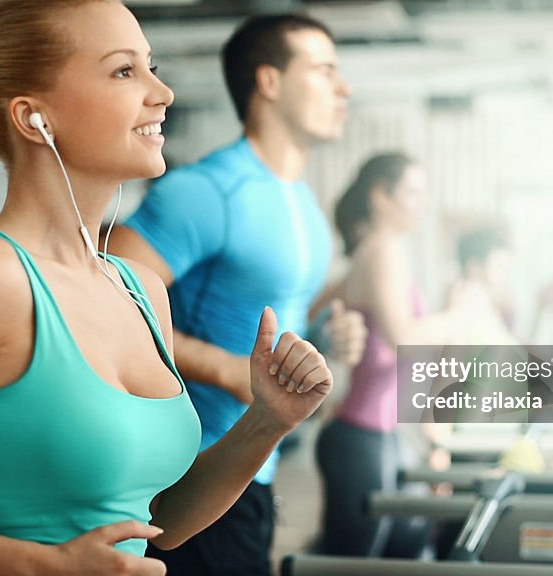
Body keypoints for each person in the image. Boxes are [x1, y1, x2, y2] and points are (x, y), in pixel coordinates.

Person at [0, 2, 333, 575]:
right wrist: (40, 566)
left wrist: (268, 420)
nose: (162, 92)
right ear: (33, 118)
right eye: (125, 71)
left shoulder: (141, 289)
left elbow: (160, 521)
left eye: (152, 66)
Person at [108, 13, 365, 576]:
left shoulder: (305, 208)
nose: (343, 88)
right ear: (269, 82)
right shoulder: (206, 192)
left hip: (257, 471)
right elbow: (98, 304)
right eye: (324, 70)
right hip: (189, 479)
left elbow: (266, 324)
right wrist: (224, 368)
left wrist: (321, 340)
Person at [315, 152, 470, 558]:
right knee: (351, 565)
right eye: (412, 192)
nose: (421, 203)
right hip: (360, 436)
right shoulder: (383, 250)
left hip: (379, 435)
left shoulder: (374, 252)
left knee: (399, 547)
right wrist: (457, 315)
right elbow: (404, 337)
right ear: (381, 196)